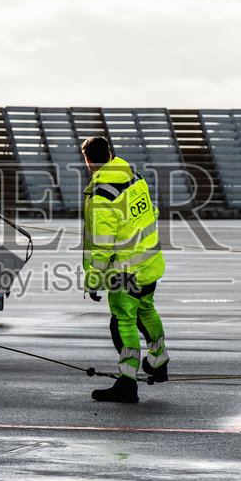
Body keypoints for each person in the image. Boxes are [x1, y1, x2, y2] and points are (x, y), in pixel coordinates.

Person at [80, 136, 168, 403]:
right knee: (146, 309)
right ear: (110, 153)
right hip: (149, 262)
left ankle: (127, 384)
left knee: (122, 321)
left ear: (87, 160)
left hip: (125, 270)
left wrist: (94, 280)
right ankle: (159, 360)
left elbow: (102, 243)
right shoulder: (134, 176)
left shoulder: (102, 194)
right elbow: (152, 211)